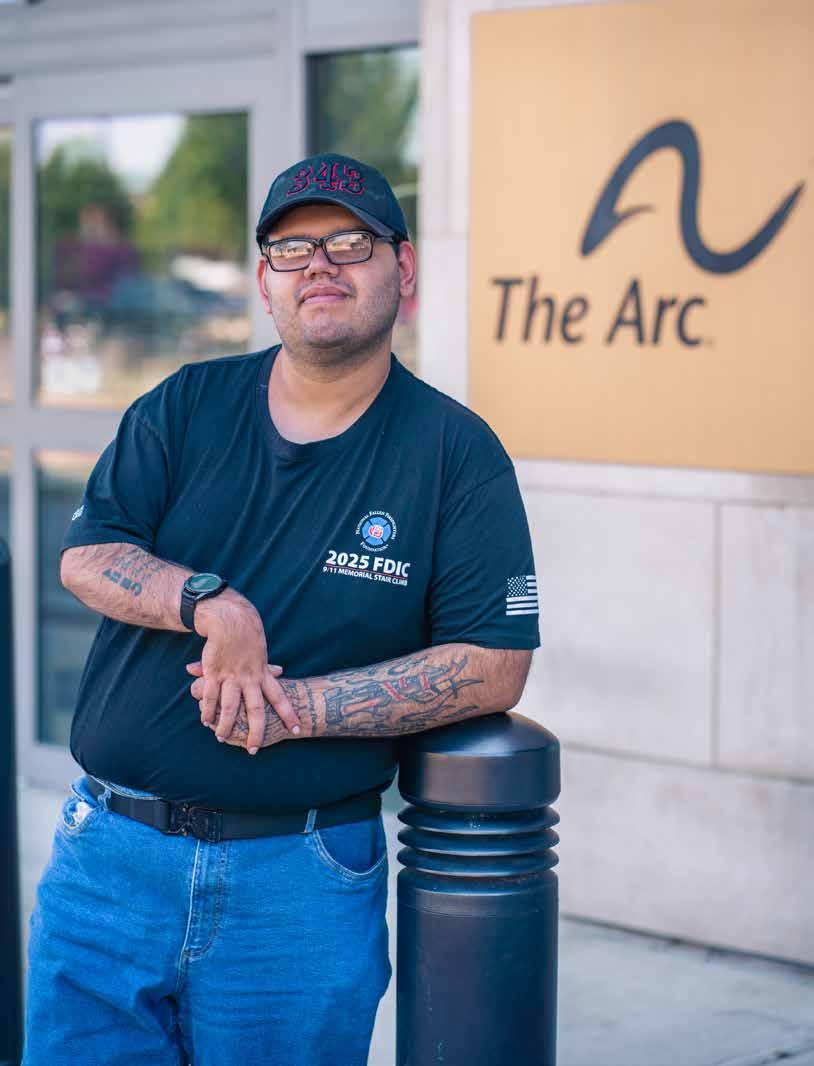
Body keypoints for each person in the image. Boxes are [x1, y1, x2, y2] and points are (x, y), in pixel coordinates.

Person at [22, 153, 541, 1066]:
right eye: (291, 249)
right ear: (265, 282)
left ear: (403, 268)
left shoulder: (456, 454)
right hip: (106, 864)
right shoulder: (185, 405)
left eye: (350, 242)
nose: (319, 266)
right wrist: (210, 603)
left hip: (299, 883)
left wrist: (296, 708)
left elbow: (493, 663)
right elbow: (88, 558)